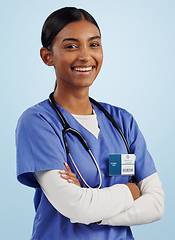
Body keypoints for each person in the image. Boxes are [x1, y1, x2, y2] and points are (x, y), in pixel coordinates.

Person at [16, 7, 164, 239]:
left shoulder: (122, 121)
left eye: (93, 44)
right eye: (71, 46)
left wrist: (91, 208)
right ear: (48, 56)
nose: (85, 55)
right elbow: (74, 206)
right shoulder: (38, 121)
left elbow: (155, 205)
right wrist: (130, 190)